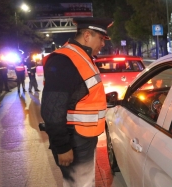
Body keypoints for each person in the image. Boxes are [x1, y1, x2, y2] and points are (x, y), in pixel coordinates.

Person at [40, 17, 113, 186]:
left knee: (83, 182)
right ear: (87, 35)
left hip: (82, 136)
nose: (103, 44)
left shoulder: (82, 57)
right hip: (73, 138)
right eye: (101, 39)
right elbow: (52, 108)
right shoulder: (65, 60)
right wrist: (63, 146)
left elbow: (82, 95)